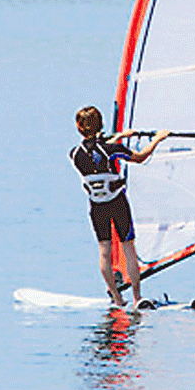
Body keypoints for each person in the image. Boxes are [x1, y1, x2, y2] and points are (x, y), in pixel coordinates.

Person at [69, 105, 169, 309]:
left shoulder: (75, 154)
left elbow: (96, 149)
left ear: (78, 127)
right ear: (101, 124)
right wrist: (157, 139)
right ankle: (137, 298)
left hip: (97, 207)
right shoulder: (112, 150)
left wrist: (121, 136)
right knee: (128, 248)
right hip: (117, 203)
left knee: (104, 250)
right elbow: (140, 157)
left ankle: (116, 298)